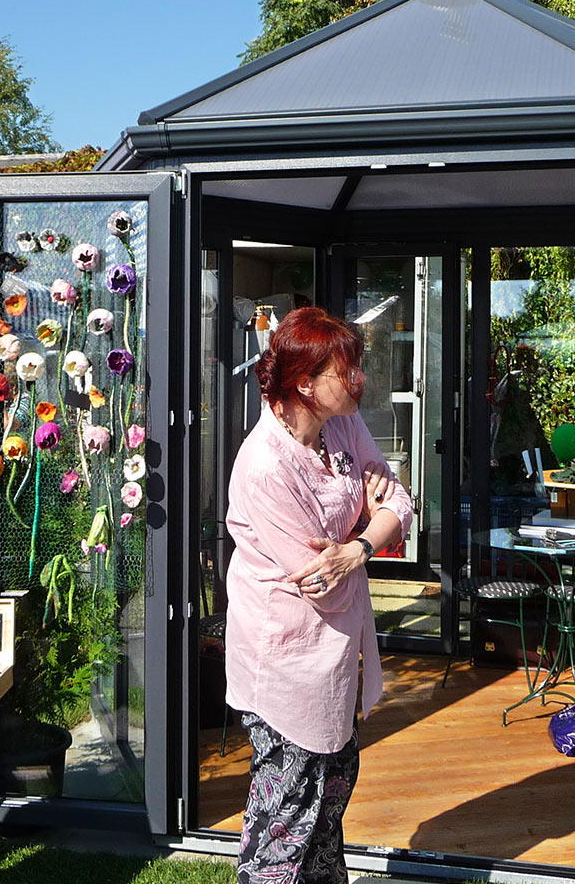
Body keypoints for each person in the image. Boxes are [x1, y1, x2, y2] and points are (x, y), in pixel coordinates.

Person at [225, 306, 414, 884]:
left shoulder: (342, 426)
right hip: (285, 662)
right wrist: (369, 521)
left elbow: (401, 502)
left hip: (335, 657)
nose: (360, 379)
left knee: (329, 809)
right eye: (345, 370)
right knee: (284, 825)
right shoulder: (264, 466)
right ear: (305, 384)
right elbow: (319, 584)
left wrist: (357, 546)